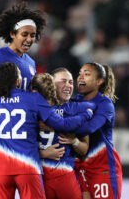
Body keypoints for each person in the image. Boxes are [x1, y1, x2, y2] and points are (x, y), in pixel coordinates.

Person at [0, 62, 94, 199]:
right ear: (17, 81)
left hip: (1, 170)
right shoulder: (33, 98)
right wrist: (86, 115)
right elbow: (63, 125)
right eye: (20, 75)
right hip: (28, 169)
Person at [0, 2, 46, 198]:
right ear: (12, 34)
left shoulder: (31, 63)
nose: (29, 39)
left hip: (18, 131)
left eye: (32, 35)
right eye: (25, 34)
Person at [37, 67, 90, 199]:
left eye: (71, 82)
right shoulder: (35, 107)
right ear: (51, 84)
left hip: (64, 173)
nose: (68, 85)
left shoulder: (77, 109)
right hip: (38, 175)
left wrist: (74, 141)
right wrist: (43, 153)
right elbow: (20, 144)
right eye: (63, 81)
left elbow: (84, 149)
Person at [73, 62, 122, 199]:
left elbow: (89, 127)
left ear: (99, 81)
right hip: (80, 167)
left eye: (87, 74)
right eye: (80, 74)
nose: (81, 77)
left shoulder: (105, 104)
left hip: (102, 168)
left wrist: (63, 126)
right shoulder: (74, 101)